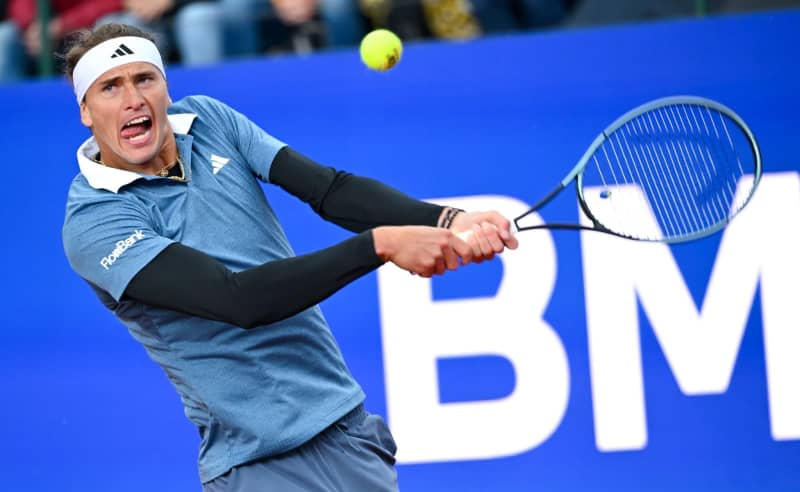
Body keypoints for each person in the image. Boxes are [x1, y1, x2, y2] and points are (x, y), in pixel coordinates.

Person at [61, 22, 517, 491]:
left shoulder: (208, 120)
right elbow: (237, 300)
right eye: (110, 87)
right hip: (254, 463)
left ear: (165, 87)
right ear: (86, 112)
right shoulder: (95, 220)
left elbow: (328, 190)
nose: (133, 99)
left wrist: (446, 220)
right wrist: (379, 244)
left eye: (145, 79)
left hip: (344, 429)